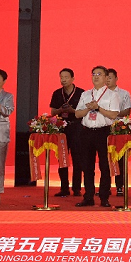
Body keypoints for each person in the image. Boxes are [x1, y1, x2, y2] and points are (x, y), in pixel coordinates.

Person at [74, 66, 122, 207]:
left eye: (99, 74)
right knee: (87, 166)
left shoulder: (112, 95)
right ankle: (88, 197)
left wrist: (98, 108)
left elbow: (114, 114)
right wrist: (88, 108)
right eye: (94, 74)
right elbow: (77, 114)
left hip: (104, 132)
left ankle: (104, 197)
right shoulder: (86, 94)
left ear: (106, 77)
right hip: (86, 132)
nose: (95, 76)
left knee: (105, 166)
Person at [49, 68, 85, 197]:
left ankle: (77, 188)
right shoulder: (57, 93)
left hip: (77, 128)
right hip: (62, 129)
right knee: (62, 158)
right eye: (61, 77)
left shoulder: (81, 93)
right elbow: (53, 112)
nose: (63, 80)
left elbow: (85, 112)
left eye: (66, 77)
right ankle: (64, 188)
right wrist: (60, 110)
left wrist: (72, 110)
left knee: (77, 159)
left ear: (72, 79)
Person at [106, 68, 131, 197]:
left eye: (110, 77)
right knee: (105, 159)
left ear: (116, 79)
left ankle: (120, 186)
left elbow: (127, 111)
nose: (107, 80)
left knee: (120, 158)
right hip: (104, 127)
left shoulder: (124, 94)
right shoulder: (100, 94)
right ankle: (105, 187)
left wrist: (111, 113)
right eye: (106, 77)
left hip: (119, 129)